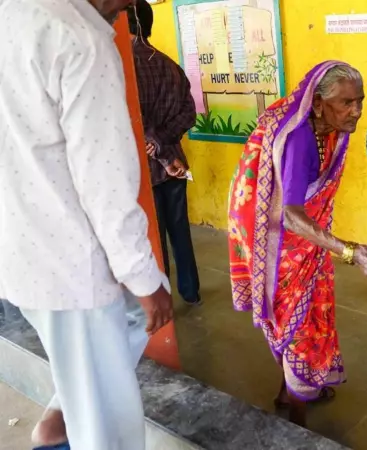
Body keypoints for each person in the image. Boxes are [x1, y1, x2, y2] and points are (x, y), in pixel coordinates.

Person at [0, 1, 174, 449]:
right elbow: (106, 182)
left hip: (21, 253)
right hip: (72, 269)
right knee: (108, 430)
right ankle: (61, 431)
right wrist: (142, 276)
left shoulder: (14, 15)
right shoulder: (80, 38)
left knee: (108, 349)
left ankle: (57, 425)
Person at [227, 61, 367, 426]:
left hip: (308, 244)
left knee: (307, 318)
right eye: (346, 102)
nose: (356, 111)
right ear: (318, 104)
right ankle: (297, 421)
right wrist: (350, 252)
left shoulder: (330, 131)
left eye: (360, 100)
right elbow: (290, 215)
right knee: (298, 329)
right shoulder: (300, 139)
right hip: (284, 250)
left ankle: (291, 389)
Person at [128, 0, 201, 305]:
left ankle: (165, 297)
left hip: (147, 168)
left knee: (153, 239)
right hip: (176, 163)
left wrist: (154, 143)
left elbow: (131, 119)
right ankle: (191, 292)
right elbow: (189, 113)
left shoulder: (125, 67)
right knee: (180, 231)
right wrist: (166, 141)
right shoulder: (171, 65)